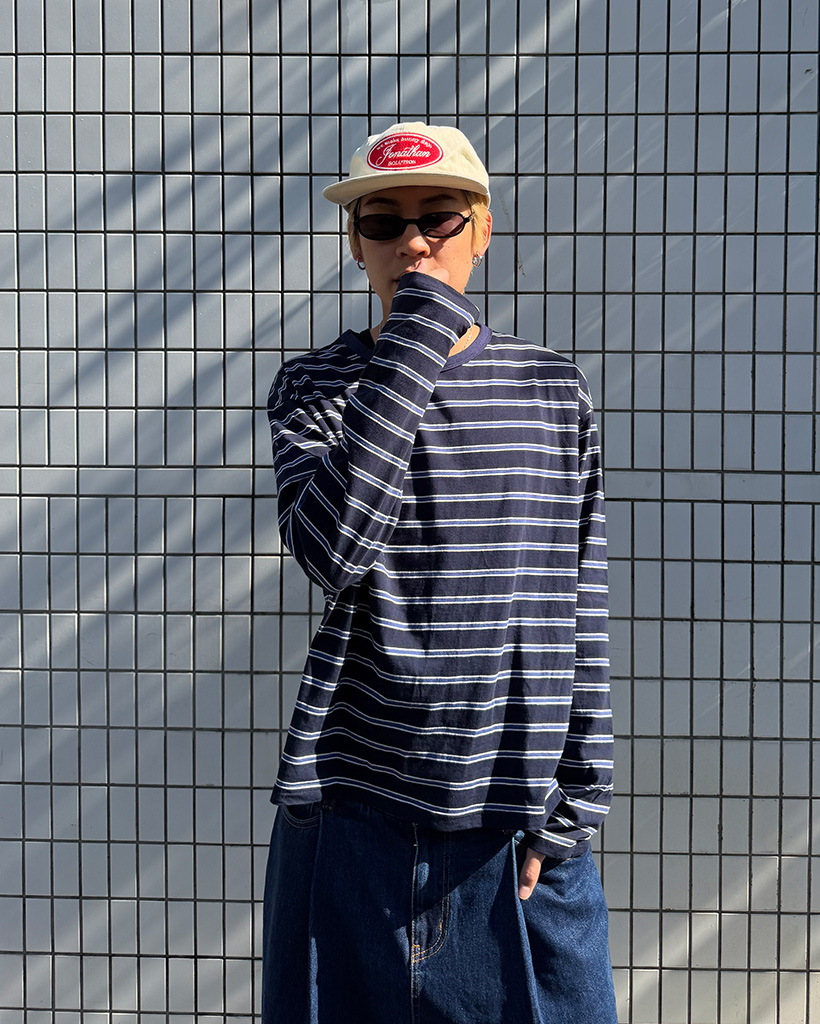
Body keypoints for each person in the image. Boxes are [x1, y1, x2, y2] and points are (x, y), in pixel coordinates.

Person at [262, 122, 618, 1024]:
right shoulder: (317, 388)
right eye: (383, 222)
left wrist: (578, 801)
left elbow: (578, 595)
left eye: (439, 218)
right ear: (355, 243)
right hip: (352, 815)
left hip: (514, 822)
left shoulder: (551, 390)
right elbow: (333, 550)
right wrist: (415, 338)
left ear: (482, 228)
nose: (413, 243)